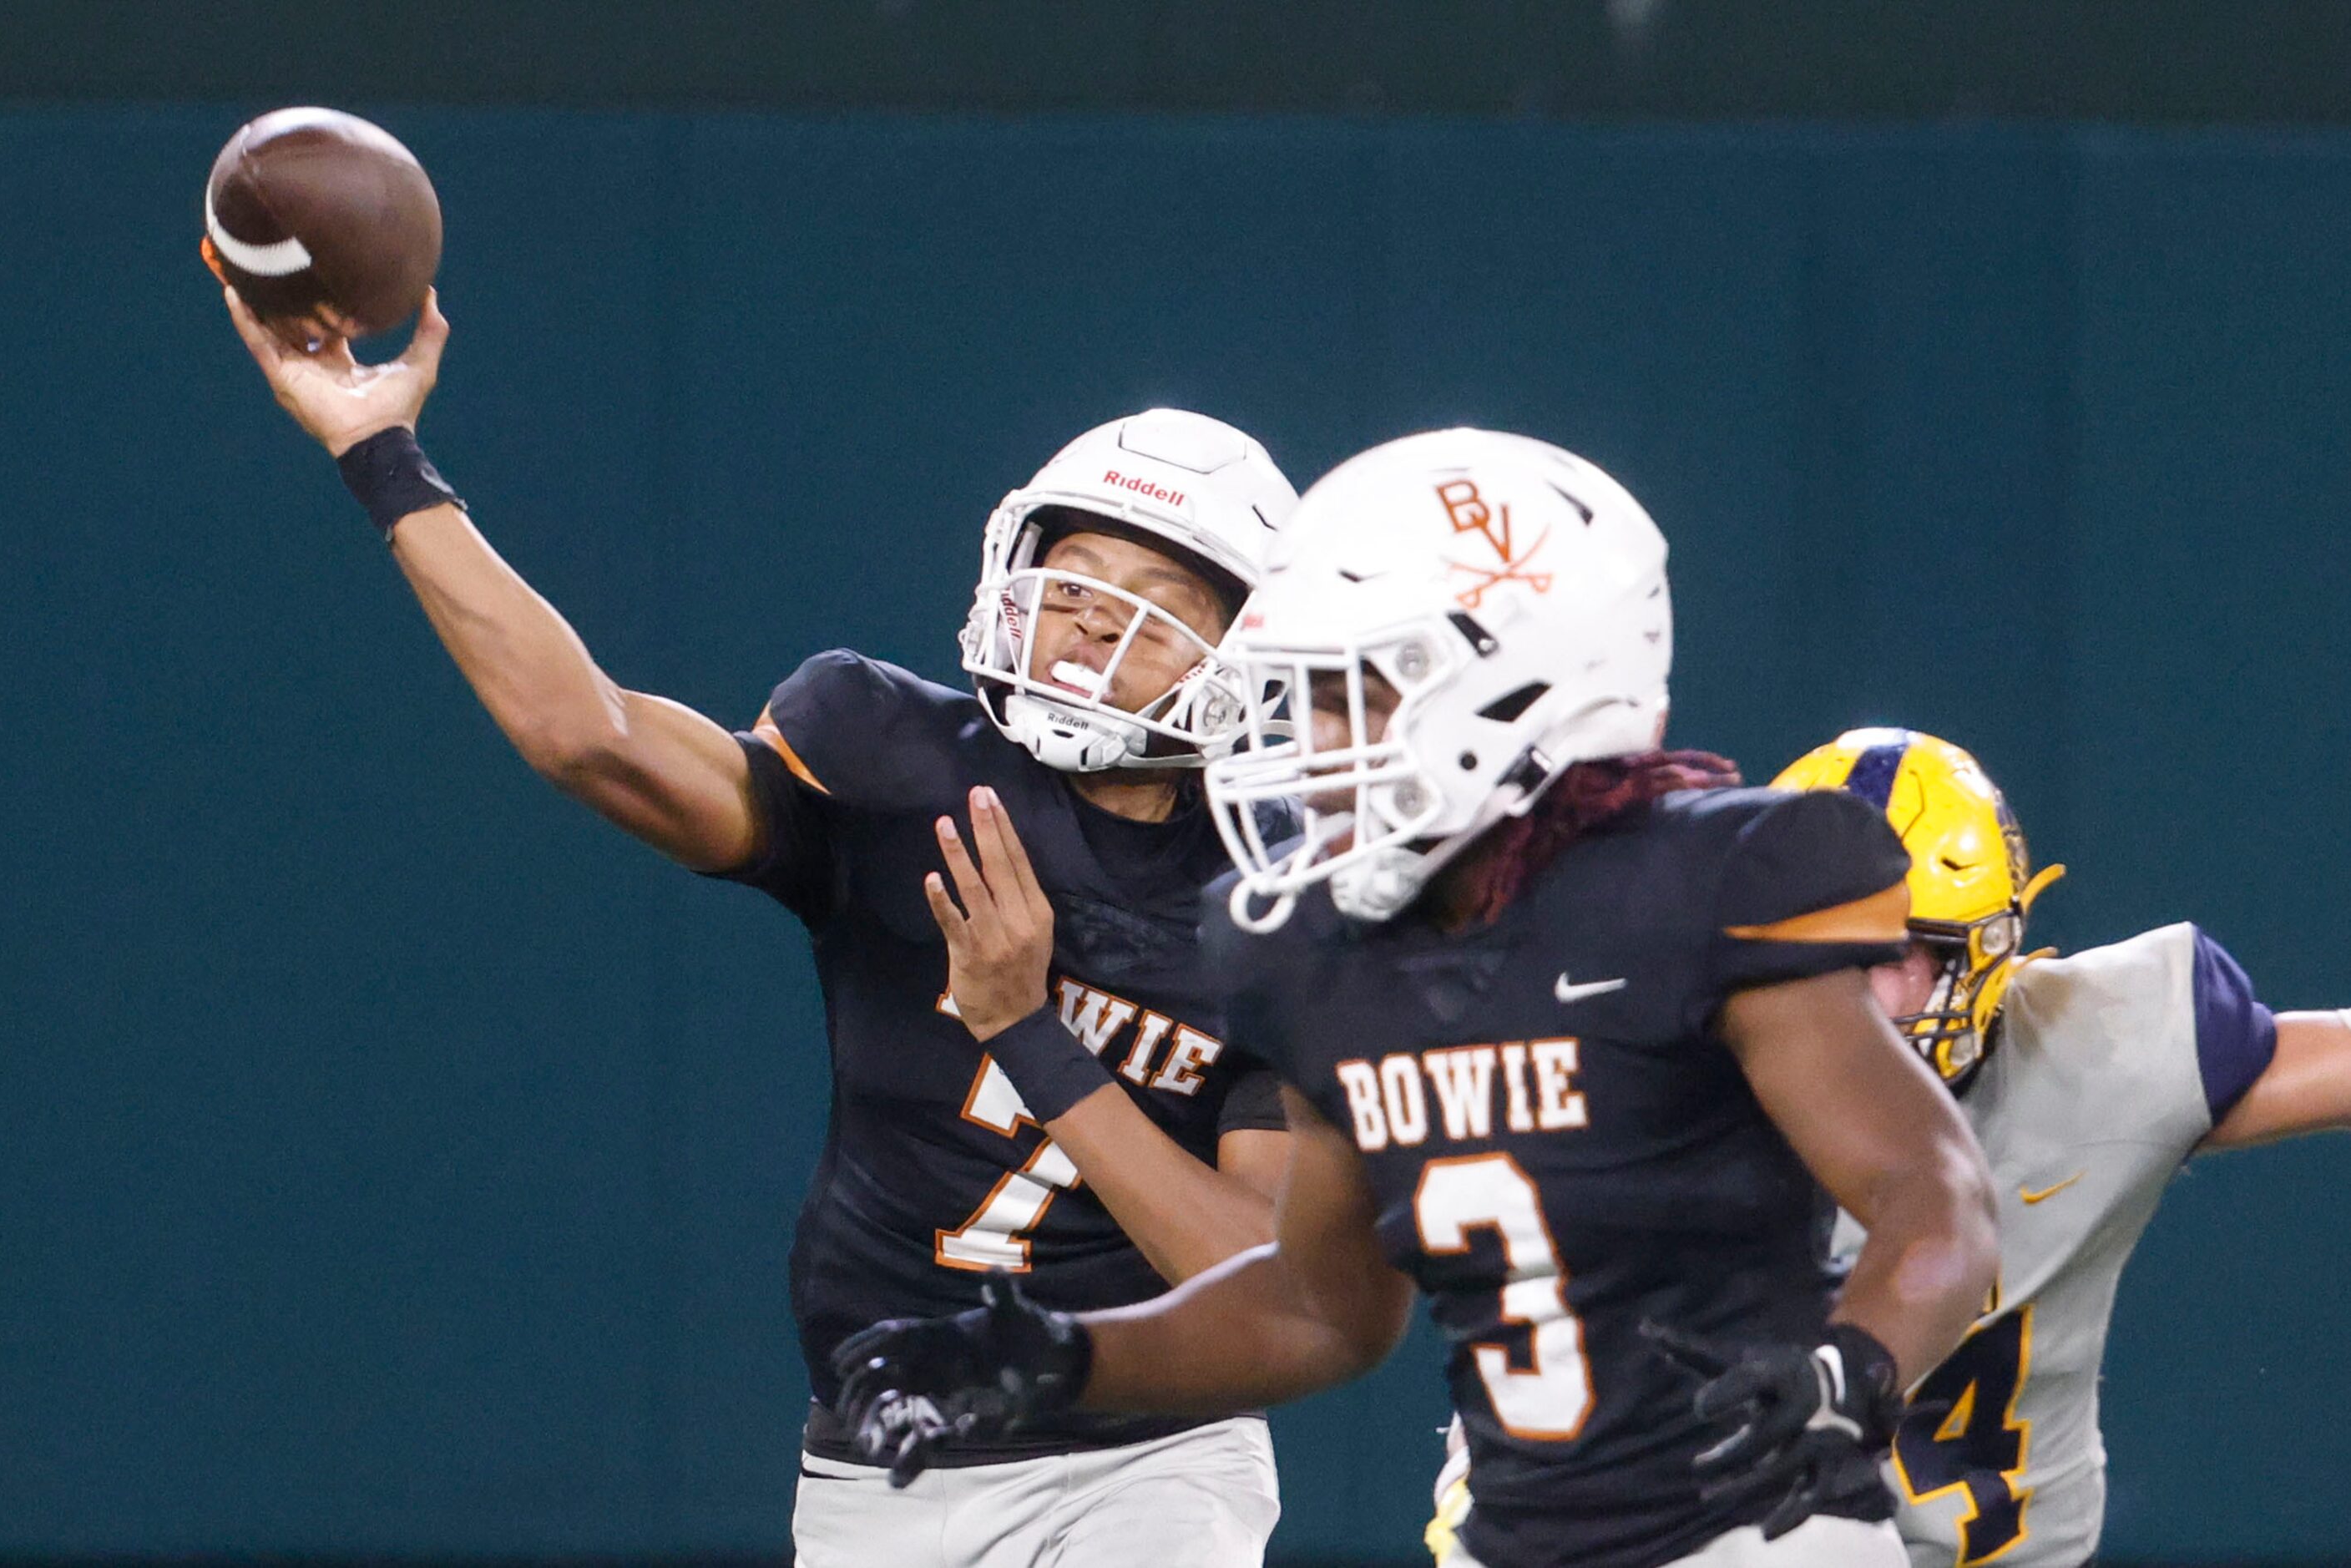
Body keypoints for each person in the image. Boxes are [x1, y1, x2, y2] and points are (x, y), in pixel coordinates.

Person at [220, 286, 1303, 1568]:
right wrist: (380, 456)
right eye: (1070, 579)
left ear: (1247, 650)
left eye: (1152, 596)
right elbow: (591, 737)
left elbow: (1270, 1285)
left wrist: (1030, 1032)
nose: (1088, 621)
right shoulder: (892, 755)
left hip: (1149, 1458)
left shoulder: (1282, 893)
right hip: (877, 1455)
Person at [831, 429, 2004, 1568]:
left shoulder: (1708, 886)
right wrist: (1058, 1355)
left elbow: (1932, 1189)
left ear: (1528, 690)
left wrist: (1852, 1367)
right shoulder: (1316, 952)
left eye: (1358, 696)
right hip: (1508, 1535)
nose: (1313, 741)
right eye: (1307, 698)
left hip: (1756, 1531)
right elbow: (1317, 1306)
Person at [1772, 727, 2351, 1568]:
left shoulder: (2096, 1054)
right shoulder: (1677, 1090)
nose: (1845, 991)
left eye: (1893, 952)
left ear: (1985, 951)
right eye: (1815, 947)